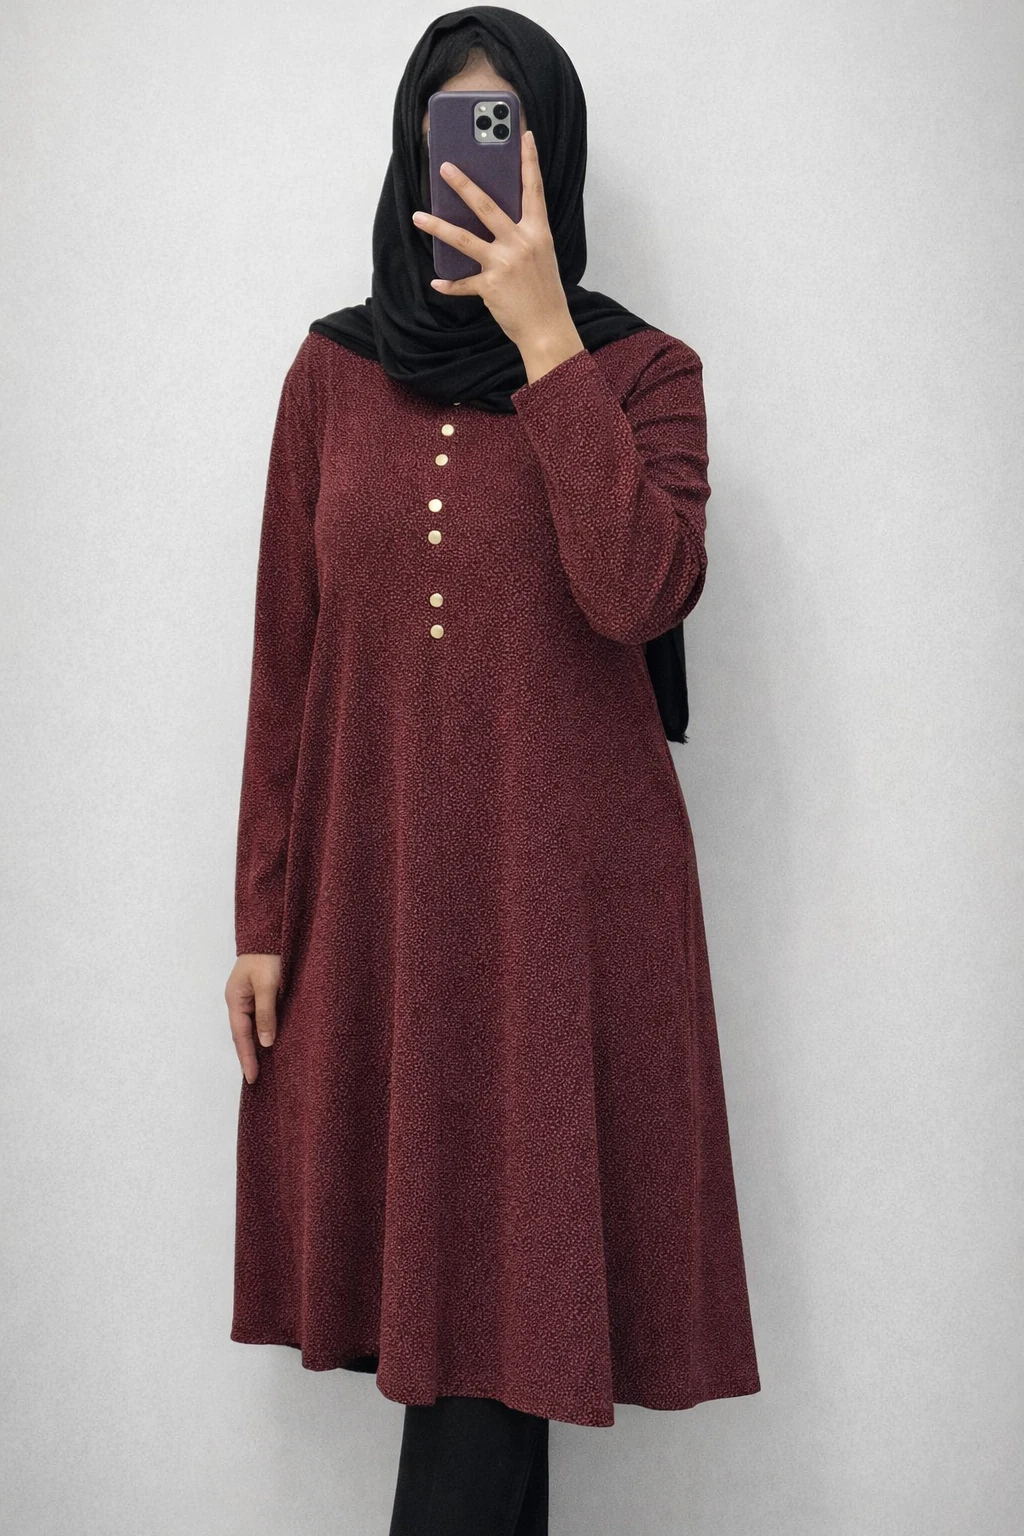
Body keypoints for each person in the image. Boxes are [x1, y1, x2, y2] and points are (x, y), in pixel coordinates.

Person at [224, 7, 760, 1530]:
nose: (475, 164)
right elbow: (286, 664)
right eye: (449, 130)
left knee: (514, 1319)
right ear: (410, 156)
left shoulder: (645, 374)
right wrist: (261, 918)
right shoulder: (331, 375)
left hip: (564, 929)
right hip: (382, 913)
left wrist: (546, 344)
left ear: (553, 161)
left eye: (505, 134)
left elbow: (639, 589)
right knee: (471, 1337)